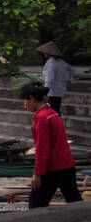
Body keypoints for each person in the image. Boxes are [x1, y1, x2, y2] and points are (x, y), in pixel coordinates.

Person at [20, 81, 81, 209]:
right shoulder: (52, 113)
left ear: (31, 99)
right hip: (67, 165)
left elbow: (42, 148)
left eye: (24, 101)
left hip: (53, 168)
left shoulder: (42, 118)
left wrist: (37, 173)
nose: (24, 106)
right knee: (75, 202)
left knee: (36, 204)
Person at [36, 42, 73, 115]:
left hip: (53, 90)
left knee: (53, 110)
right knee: (55, 108)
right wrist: (68, 79)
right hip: (60, 89)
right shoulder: (61, 62)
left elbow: (50, 78)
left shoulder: (51, 63)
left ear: (47, 53)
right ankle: (56, 124)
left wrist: (46, 88)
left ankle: (55, 125)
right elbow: (71, 70)